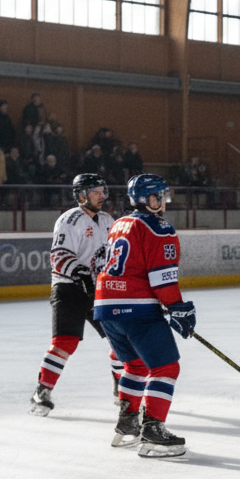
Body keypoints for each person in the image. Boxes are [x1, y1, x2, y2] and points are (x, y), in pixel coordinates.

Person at [93, 174, 196, 457]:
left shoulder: (119, 224)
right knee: (166, 368)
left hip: (105, 307)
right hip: (136, 308)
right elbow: (162, 281)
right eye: (159, 196)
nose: (163, 201)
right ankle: (152, 430)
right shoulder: (159, 228)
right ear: (149, 200)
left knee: (136, 367)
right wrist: (178, 307)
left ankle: (126, 426)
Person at [29, 174, 123, 417]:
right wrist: (81, 275)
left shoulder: (107, 220)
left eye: (104, 191)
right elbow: (58, 256)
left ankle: (122, 390)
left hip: (98, 289)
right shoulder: (70, 220)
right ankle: (42, 390)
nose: (103, 196)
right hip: (69, 288)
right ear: (82, 195)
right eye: (97, 191)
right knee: (65, 342)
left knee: (120, 338)